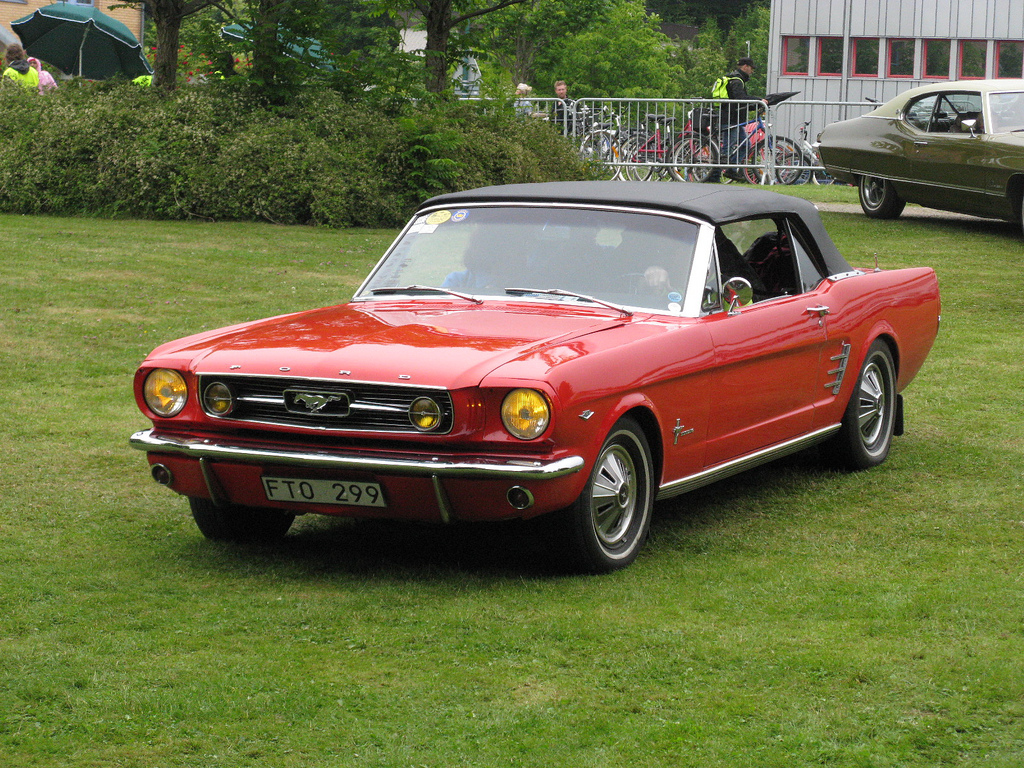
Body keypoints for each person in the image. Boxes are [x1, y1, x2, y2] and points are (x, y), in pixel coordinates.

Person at [711, 57, 768, 182]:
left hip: (735, 119)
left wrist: (755, 104)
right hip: (730, 118)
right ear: (745, 66)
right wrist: (758, 100)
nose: (752, 71)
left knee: (745, 145)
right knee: (727, 148)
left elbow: (741, 101)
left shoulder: (737, 79)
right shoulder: (737, 81)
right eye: (751, 68)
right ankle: (714, 176)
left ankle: (731, 170)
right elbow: (740, 98)